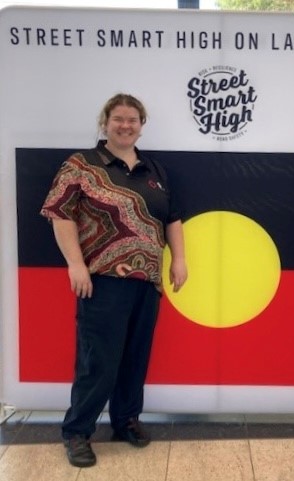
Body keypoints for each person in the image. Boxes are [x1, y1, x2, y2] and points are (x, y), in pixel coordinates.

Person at [40, 93, 187, 468]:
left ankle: (126, 421)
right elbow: (60, 214)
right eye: (119, 118)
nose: (126, 125)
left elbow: (172, 218)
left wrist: (179, 260)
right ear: (105, 122)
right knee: (99, 360)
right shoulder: (81, 165)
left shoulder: (154, 169)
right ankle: (76, 432)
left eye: (133, 119)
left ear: (142, 125)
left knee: (135, 358)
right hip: (102, 280)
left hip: (147, 282)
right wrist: (75, 264)